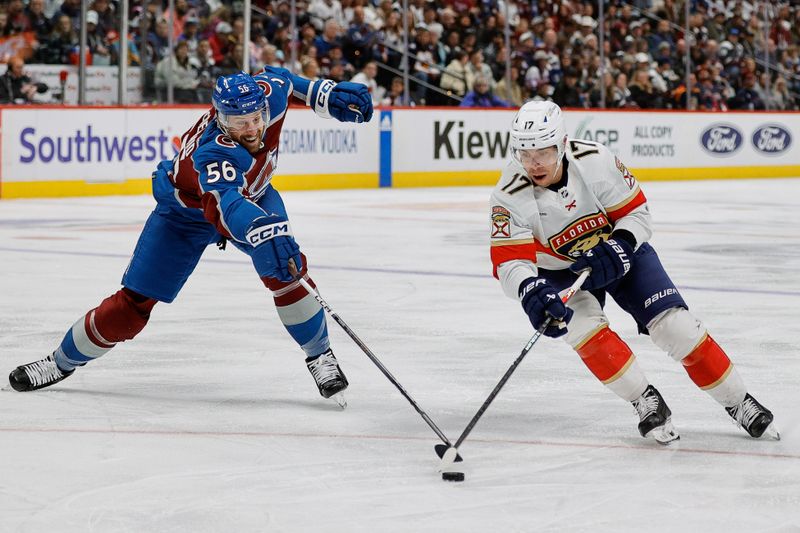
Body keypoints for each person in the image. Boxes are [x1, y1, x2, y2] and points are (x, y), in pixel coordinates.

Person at [8, 68, 374, 409]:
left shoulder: (268, 96)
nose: (251, 130)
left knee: (286, 273)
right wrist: (264, 231)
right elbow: (226, 204)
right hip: (188, 214)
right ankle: (60, 361)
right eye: (238, 123)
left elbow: (283, 79)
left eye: (255, 119)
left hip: (256, 194)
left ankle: (320, 354)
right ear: (219, 117)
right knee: (133, 305)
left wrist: (323, 96)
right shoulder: (211, 152)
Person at [489, 101, 778, 443]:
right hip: (559, 270)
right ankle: (644, 399)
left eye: (545, 153)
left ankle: (739, 401)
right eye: (525, 154)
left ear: (563, 144)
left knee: (677, 328)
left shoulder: (595, 161)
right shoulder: (508, 195)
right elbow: (510, 262)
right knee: (583, 332)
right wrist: (530, 290)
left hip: (619, 252)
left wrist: (621, 245)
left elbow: (637, 213)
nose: (535, 164)